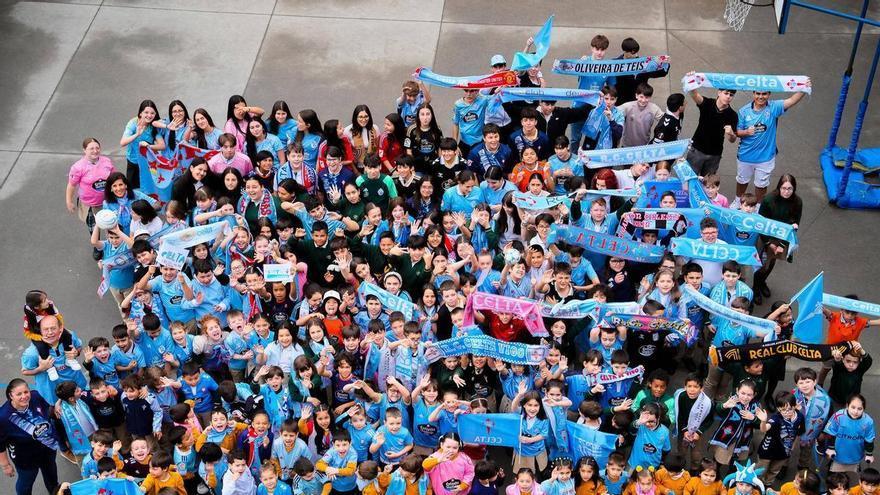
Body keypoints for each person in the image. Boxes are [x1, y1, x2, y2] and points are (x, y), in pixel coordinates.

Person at [734, 79, 811, 205]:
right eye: (758, 93)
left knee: (761, 185)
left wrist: (803, 88)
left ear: (769, 95)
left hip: (766, 157)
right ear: (753, 94)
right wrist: (746, 132)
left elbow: (791, 100)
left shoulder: (774, 107)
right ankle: (737, 202)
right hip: (745, 155)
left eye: (764, 94)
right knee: (742, 181)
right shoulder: (743, 111)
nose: (761, 97)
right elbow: (737, 132)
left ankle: (759, 207)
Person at [0, 379, 63, 495]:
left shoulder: (35, 396)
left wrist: (56, 408)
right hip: (26, 458)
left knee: (52, 477)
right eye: (19, 394)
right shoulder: (3, 417)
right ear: (11, 395)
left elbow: (47, 412)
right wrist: (5, 465)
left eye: (26, 392)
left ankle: (54, 492)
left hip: (47, 448)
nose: (24, 396)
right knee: (26, 483)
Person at [66, 137, 116, 259]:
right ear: (84, 150)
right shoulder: (78, 167)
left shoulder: (106, 162)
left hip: (107, 201)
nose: (95, 151)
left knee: (112, 224)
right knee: (93, 227)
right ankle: (98, 247)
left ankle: (114, 245)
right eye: (91, 148)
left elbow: (114, 178)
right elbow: (71, 185)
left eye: (97, 148)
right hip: (90, 204)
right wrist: (69, 201)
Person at [684, 72, 738, 177]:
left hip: (715, 154)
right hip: (697, 150)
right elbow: (694, 94)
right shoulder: (707, 103)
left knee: (708, 183)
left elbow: (732, 140)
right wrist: (691, 79)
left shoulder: (732, 115)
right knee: (689, 179)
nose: (728, 97)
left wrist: (731, 134)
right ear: (719, 92)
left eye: (731, 95)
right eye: (726, 93)